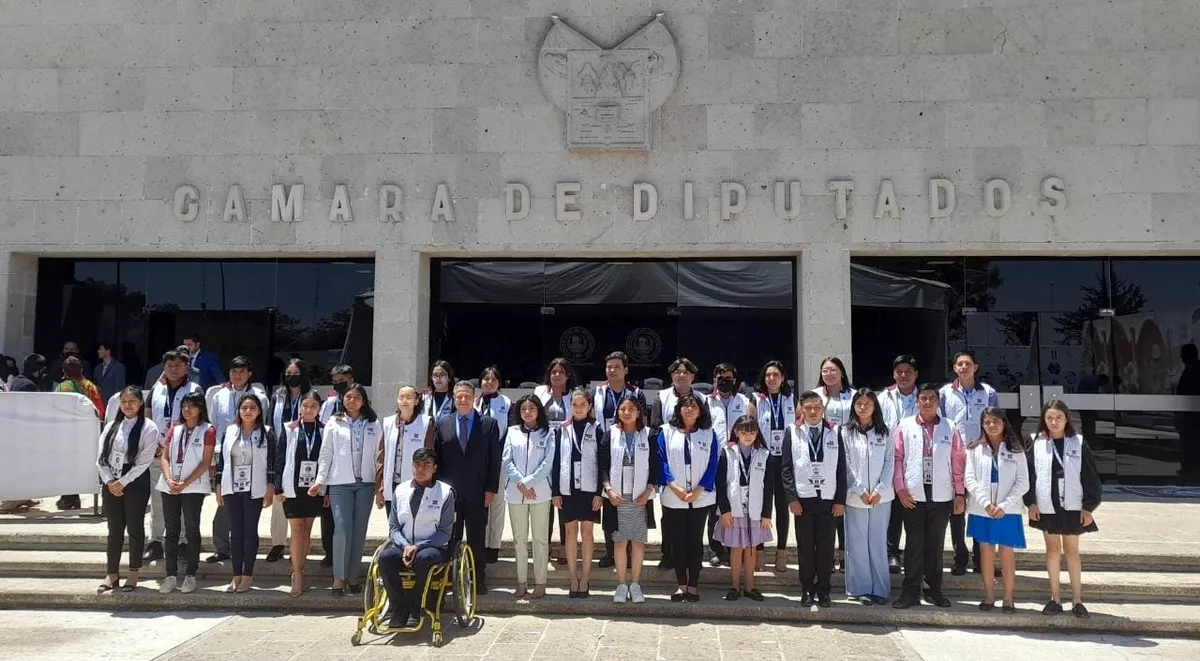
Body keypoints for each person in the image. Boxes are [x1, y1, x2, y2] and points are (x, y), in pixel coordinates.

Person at [892, 383, 966, 610]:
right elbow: (896, 459)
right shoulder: (904, 426)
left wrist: (960, 492)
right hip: (912, 496)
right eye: (922, 398)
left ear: (938, 402)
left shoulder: (950, 427)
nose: (927, 402)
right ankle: (910, 592)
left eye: (931, 398)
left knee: (935, 546)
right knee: (914, 545)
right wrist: (900, 489)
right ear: (916, 402)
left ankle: (934, 590)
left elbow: (958, 461)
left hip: (942, 496)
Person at [1026, 400, 1103, 619]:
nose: (1054, 422)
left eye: (1058, 417)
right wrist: (1030, 502)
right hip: (1046, 503)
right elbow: (1029, 475)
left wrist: (1088, 507)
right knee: (1052, 549)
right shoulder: (1036, 442)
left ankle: (1077, 599)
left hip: (1072, 503)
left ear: (1066, 418)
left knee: (1071, 550)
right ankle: (1055, 598)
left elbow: (1091, 476)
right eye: (1049, 417)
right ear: (1044, 419)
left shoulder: (1078, 442)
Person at [311, 382, 380, 596]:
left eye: (356, 397)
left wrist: (380, 485)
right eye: (348, 397)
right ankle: (339, 577)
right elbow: (326, 453)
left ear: (364, 401)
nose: (352, 400)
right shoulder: (334, 421)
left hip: (365, 484)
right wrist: (320, 481)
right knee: (341, 528)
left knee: (359, 532)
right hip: (340, 482)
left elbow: (380, 455)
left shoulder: (374, 423)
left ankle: (353, 576)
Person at [434, 380, 501, 593]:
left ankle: (477, 579)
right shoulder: (442, 423)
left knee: (476, 538)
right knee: (450, 537)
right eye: (459, 396)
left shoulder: (488, 424)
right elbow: (438, 460)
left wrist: (491, 489)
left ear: (474, 398)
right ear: (454, 399)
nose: (463, 400)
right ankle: (448, 578)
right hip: (449, 494)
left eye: (467, 396)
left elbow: (495, 460)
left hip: (478, 492)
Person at [377, 448, 455, 629]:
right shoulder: (401, 490)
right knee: (385, 558)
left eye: (426, 465)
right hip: (404, 545)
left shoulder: (445, 493)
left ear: (434, 468)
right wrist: (405, 546)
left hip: (433, 547)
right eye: (417, 465)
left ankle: (416, 609)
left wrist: (417, 547)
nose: (421, 469)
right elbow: (394, 527)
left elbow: (445, 532)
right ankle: (398, 609)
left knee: (423, 558)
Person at [781, 391, 846, 608]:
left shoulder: (835, 431)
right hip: (803, 499)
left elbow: (841, 468)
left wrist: (840, 500)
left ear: (823, 409)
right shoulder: (792, 431)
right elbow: (787, 468)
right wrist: (792, 498)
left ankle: (824, 590)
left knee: (827, 547)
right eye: (807, 407)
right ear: (801, 408)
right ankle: (807, 588)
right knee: (805, 547)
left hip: (828, 499)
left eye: (816, 407)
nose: (812, 411)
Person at [95, 386, 160, 593]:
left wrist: (123, 482)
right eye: (123, 402)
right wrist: (110, 481)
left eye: (132, 401)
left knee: (134, 528)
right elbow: (100, 458)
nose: (127, 405)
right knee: (114, 530)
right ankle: (111, 573)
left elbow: (144, 461)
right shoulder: (112, 425)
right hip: (111, 480)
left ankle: (133, 573)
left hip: (135, 481)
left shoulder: (148, 427)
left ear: (140, 403)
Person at [205, 356, 269, 565]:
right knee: (224, 503)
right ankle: (222, 548)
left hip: (252, 458)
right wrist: (214, 459)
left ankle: (245, 554)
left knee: (247, 511)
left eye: (242, 371)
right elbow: (213, 426)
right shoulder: (219, 395)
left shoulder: (259, 396)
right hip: (226, 458)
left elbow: (264, 426)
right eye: (233, 371)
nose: (237, 375)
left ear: (249, 374)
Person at [939, 350, 998, 575]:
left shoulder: (988, 393)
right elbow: (942, 424)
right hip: (954, 458)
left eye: (968, 364)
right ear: (955, 368)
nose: (964, 368)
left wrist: (984, 440)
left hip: (980, 456)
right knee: (957, 508)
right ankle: (959, 557)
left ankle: (979, 556)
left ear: (976, 367)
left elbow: (995, 422)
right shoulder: (945, 393)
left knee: (980, 507)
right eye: (959, 364)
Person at [657, 392, 720, 602]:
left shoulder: (709, 434)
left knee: (695, 542)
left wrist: (700, 489)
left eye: (694, 406)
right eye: (685, 406)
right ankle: (680, 584)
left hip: (700, 498)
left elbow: (713, 464)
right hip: (674, 496)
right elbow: (661, 460)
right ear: (679, 410)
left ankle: (693, 585)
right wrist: (673, 486)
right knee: (677, 542)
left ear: (701, 410)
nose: (690, 409)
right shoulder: (666, 432)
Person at [966, 408, 1029, 614]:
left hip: (1007, 510)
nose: (991, 425)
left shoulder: (1016, 450)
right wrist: (986, 503)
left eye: (996, 421)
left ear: (1003, 423)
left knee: (1006, 553)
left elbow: (1023, 483)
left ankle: (1008, 598)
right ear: (982, 425)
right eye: (987, 422)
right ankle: (989, 596)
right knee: (985, 552)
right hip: (982, 509)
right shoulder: (974, 449)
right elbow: (970, 479)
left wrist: (1004, 505)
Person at [143, 349, 202, 563]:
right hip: (159, 452)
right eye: (169, 365)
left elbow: (199, 419)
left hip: (185, 454)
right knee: (158, 499)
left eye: (178, 365)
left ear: (187, 367)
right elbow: (148, 418)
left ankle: (183, 542)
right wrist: (152, 443)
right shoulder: (156, 389)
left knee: (185, 498)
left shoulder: (194, 389)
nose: (173, 369)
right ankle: (156, 541)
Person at [215, 393, 277, 593]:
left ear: (259, 411)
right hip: (231, 487)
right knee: (235, 532)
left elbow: (272, 462)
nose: (248, 411)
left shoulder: (267, 433)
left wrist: (270, 486)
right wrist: (218, 486)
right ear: (238, 411)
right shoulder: (230, 430)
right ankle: (236, 575)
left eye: (252, 408)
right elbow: (222, 461)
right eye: (244, 408)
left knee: (249, 531)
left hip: (254, 488)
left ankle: (248, 574)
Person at [592, 351, 648, 569]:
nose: (612, 370)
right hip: (606, 447)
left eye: (616, 366)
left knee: (631, 504)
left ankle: (630, 550)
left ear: (626, 370)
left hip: (632, 449)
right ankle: (610, 550)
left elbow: (641, 420)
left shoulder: (636, 393)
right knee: (610, 503)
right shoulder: (598, 392)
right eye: (608, 367)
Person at [602, 394, 660, 604]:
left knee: (637, 541)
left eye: (631, 409)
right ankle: (621, 584)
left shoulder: (649, 434)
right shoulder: (610, 434)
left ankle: (635, 583)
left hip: (640, 497)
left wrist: (648, 491)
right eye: (623, 409)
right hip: (616, 496)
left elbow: (656, 465)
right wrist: (608, 489)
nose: (626, 413)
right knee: (619, 541)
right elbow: (603, 464)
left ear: (638, 413)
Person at [157, 391, 216, 595]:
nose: (187, 409)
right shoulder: (175, 428)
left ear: (200, 408)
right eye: (184, 406)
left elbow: (206, 462)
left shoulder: (207, 430)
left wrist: (185, 483)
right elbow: (164, 457)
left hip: (193, 486)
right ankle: (170, 575)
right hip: (170, 485)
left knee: (191, 529)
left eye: (192, 405)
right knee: (171, 530)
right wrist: (169, 479)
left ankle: (191, 574)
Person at [652, 357, 707, 572]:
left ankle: (695, 557)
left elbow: (706, 425)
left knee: (696, 517)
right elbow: (655, 429)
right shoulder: (662, 396)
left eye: (686, 372)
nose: (681, 375)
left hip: (696, 460)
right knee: (669, 515)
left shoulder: (702, 398)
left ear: (693, 376)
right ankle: (668, 554)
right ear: (671, 375)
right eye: (677, 372)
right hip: (670, 461)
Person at [842, 389, 894, 605]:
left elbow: (890, 462)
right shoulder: (845, 432)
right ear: (853, 406)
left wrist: (880, 489)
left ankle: (880, 589)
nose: (863, 407)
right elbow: (844, 463)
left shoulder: (885, 432)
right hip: (856, 497)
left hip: (881, 497)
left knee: (878, 543)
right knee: (857, 543)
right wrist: (859, 489)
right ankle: (860, 588)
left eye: (868, 404)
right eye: (859, 403)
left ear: (875, 407)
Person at [714, 414, 774, 601]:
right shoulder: (727, 451)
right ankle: (734, 586)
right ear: (736, 433)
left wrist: (766, 514)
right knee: (736, 548)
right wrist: (724, 510)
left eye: (752, 432)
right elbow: (721, 483)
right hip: (733, 508)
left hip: (755, 509)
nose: (748, 436)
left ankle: (750, 586)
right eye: (744, 432)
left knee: (751, 549)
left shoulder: (764, 454)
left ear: (757, 434)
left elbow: (769, 486)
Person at [502, 394, 556, 600]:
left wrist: (529, 482)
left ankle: (540, 582)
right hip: (516, 493)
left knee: (540, 540)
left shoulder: (548, 433)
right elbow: (506, 461)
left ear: (539, 411)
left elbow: (547, 462)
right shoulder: (512, 432)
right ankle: (521, 582)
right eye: (523, 409)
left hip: (540, 492)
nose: (527, 412)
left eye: (531, 408)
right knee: (519, 540)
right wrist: (521, 483)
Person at [552, 388, 603, 598]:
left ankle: (586, 577)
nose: (578, 408)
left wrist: (600, 492)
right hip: (567, 488)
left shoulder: (597, 428)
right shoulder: (562, 429)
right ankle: (573, 577)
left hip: (590, 488)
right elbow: (556, 462)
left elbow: (603, 462)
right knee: (570, 533)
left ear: (590, 406)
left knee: (588, 534)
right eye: (574, 405)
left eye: (583, 405)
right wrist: (555, 491)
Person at [275, 390, 326, 597]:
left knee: (307, 528)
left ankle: (302, 566)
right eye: (305, 405)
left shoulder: (325, 430)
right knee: (296, 529)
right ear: (299, 407)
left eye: (313, 406)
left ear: (319, 409)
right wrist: (278, 486)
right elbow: (279, 457)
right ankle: (297, 574)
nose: (308, 410)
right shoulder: (289, 428)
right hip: (292, 486)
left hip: (314, 486)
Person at [706, 363, 754, 567]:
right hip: (713, 459)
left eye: (728, 377)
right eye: (720, 377)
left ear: (735, 380)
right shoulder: (705, 401)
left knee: (734, 501)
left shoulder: (744, 401)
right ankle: (715, 549)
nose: (724, 380)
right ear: (714, 378)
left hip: (738, 458)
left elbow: (751, 428)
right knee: (714, 504)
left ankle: (734, 546)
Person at [266, 358, 311, 563]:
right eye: (288, 374)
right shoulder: (278, 396)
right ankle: (277, 543)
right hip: (280, 452)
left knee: (299, 500)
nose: (291, 377)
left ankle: (299, 544)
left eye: (295, 373)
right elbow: (269, 425)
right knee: (279, 498)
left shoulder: (311, 396)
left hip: (303, 454)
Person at [753, 360, 795, 573]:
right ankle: (759, 550)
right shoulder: (756, 400)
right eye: (768, 375)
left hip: (784, 460)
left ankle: (781, 552)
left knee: (782, 506)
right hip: (763, 458)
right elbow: (749, 427)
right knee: (762, 505)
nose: (771, 378)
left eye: (775, 375)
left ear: (783, 377)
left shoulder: (791, 399)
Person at [879, 355, 919, 575]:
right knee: (893, 509)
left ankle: (914, 553)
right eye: (899, 372)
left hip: (915, 459)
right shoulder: (884, 397)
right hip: (889, 457)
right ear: (894, 374)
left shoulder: (925, 397)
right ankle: (891, 553)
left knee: (913, 507)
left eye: (908, 371)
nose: (903, 375)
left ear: (916, 374)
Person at [534, 357, 575, 564]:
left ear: (568, 375)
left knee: (564, 500)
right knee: (545, 501)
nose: (557, 375)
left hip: (566, 452)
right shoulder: (539, 393)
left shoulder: (575, 395)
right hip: (542, 451)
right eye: (553, 372)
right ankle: (544, 545)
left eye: (561, 372)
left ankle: (564, 547)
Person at [53, 355, 105, 511]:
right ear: (81, 370)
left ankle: (69, 498)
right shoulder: (91, 387)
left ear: (64, 371)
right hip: (87, 433)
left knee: (67, 465)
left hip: (66, 433)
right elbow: (100, 411)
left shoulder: (62, 388)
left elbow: (55, 411)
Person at [377, 385, 436, 516]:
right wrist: (379, 489)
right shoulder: (388, 423)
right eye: (401, 397)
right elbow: (382, 457)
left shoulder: (426, 423)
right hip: (391, 484)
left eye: (409, 397)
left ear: (416, 401)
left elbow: (429, 456)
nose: (404, 400)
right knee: (394, 526)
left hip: (416, 484)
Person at [317, 364, 355, 568]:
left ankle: (346, 551)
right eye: (336, 380)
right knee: (327, 511)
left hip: (351, 467)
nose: (339, 383)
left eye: (343, 379)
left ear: (351, 378)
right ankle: (329, 552)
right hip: (331, 464)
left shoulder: (361, 401)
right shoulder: (329, 404)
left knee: (345, 516)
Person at [476, 366, 512, 565]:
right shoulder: (474, 402)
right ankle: (480, 544)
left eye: (493, 379)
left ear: (499, 382)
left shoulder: (506, 403)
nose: (489, 382)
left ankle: (493, 547)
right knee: (480, 506)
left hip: (499, 460)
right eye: (485, 379)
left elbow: (510, 431)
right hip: (478, 461)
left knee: (497, 505)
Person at [1175, 344, 1200, 478]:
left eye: (1183, 354)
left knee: (1190, 444)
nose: (1181, 357)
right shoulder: (1193, 369)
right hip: (1191, 416)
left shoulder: (1192, 371)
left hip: (1192, 417)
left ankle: (1190, 469)